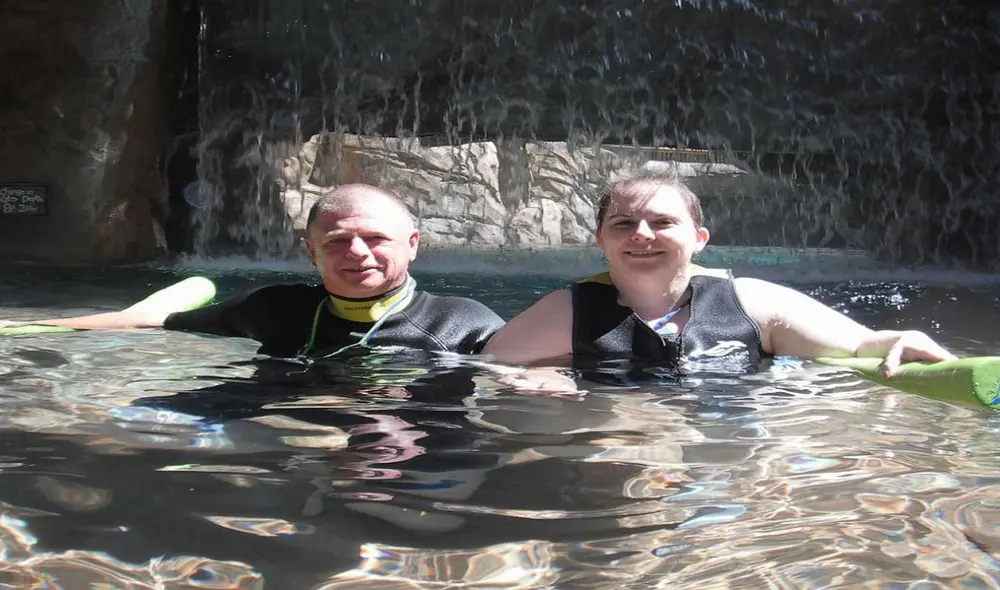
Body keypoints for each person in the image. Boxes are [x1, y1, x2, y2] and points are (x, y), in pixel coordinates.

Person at [482, 169, 956, 389]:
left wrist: (900, 338)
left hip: (729, 454)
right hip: (614, 449)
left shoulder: (752, 302)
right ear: (600, 240)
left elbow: (858, 347)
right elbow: (481, 370)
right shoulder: (566, 312)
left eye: (663, 223)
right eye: (623, 224)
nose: (642, 235)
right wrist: (536, 376)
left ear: (700, 237)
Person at [3, 184, 505, 358]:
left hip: (399, 449)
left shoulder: (462, 325)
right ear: (311, 252)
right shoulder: (274, 309)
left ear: (412, 246)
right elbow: (153, 322)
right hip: (275, 434)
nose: (358, 252)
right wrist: (25, 329)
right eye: (338, 241)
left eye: (376, 239)